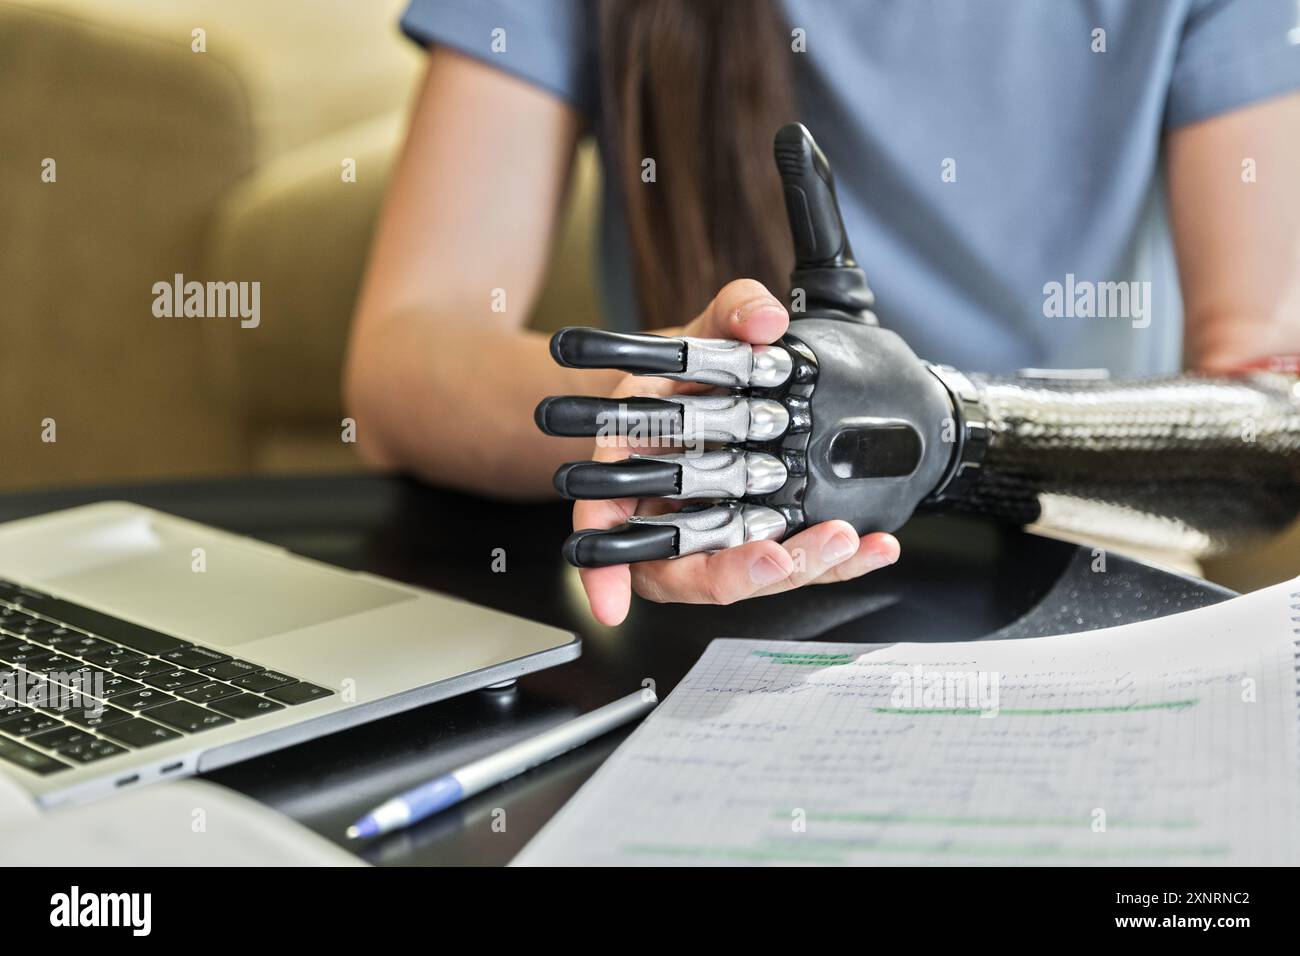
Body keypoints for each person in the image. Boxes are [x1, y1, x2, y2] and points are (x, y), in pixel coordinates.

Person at [344, 0, 1300, 625]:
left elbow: (1272, 408)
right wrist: (678, 407)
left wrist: (949, 427)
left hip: (1075, 591)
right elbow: (402, 360)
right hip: (717, 608)